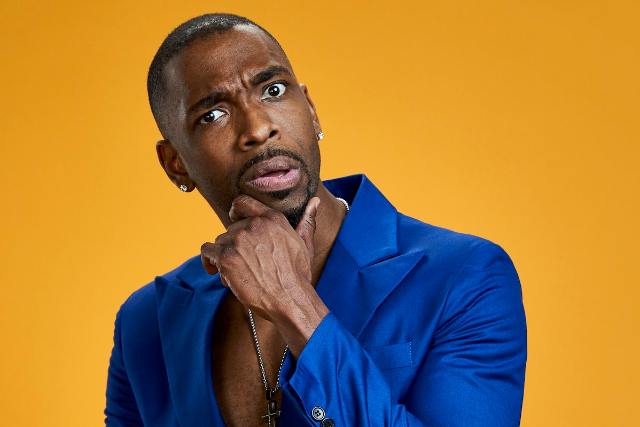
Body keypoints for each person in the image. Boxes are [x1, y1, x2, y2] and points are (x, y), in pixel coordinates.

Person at [105, 13, 527, 427]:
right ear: (175, 164)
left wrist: (296, 307)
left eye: (273, 90)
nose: (258, 128)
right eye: (212, 115)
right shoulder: (145, 323)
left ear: (310, 110)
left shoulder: (464, 276)